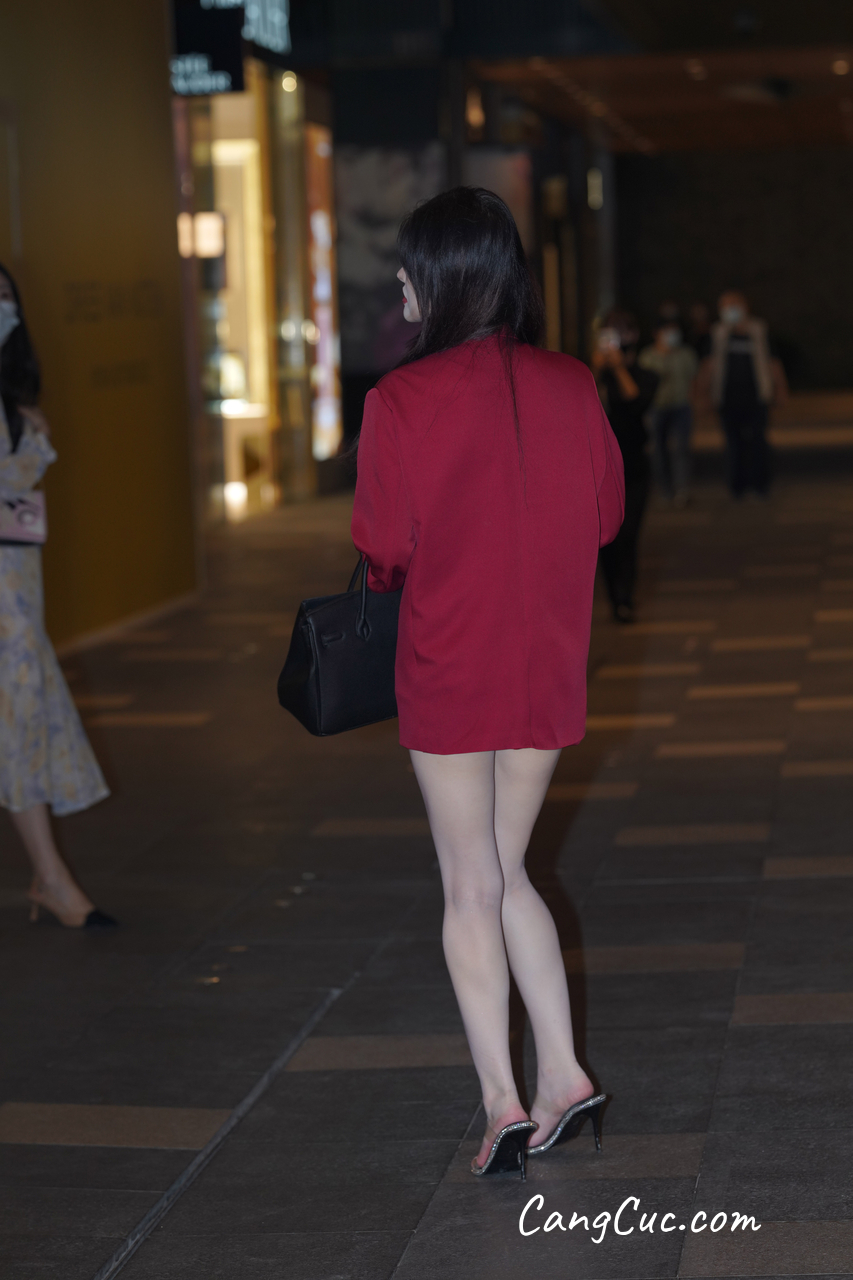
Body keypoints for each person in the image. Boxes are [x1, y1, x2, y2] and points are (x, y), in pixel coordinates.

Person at [351, 188, 624, 1179]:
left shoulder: (399, 400)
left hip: (450, 664)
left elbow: (383, 547)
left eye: (408, 266)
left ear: (440, 276)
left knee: (469, 882)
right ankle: (563, 1072)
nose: (399, 282)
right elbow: (604, 516)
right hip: (543, 662)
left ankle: (501, 1098)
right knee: (509, 873)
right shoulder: (571, 382)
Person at [0, 265, 115, 929]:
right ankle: (51, 877)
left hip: (17, 587)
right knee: (18, 719)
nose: (2, 308)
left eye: (5, 297)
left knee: (21, 720)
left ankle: (50, 876)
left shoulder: (16, 403)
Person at [591, 309, 658, 624]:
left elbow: (635, 401)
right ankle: (615, 598)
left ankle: (625, 598)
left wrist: (618, 368)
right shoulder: (594, 375)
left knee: (628, 533)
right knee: (606, 537)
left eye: (620, 331)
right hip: (600, 468)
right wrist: (596, 368)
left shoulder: (645, 375)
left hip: (633, 467)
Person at [699, 290, 788, 498]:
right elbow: (708, 365)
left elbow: (773, 361)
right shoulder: (717, 333)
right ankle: (737, 486)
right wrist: (703, 394)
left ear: (745, 306)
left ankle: (760, 485)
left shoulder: (759, 330)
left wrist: (781, 388)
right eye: (726, 306)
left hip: (757, 397)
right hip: (727, 399)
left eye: (735, 304)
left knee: (758, 442)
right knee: (733, 444)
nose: (731, 310)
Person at [639, 320, 698, 506]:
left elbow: (694, 380)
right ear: (657, 334)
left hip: (681, 406)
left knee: (681, 449)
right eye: (667, 331)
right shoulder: (647, 356)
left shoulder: (686, 354)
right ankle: (665, 490)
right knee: (658, 450)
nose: (672, 336)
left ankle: (682, 490)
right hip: (656, 408)